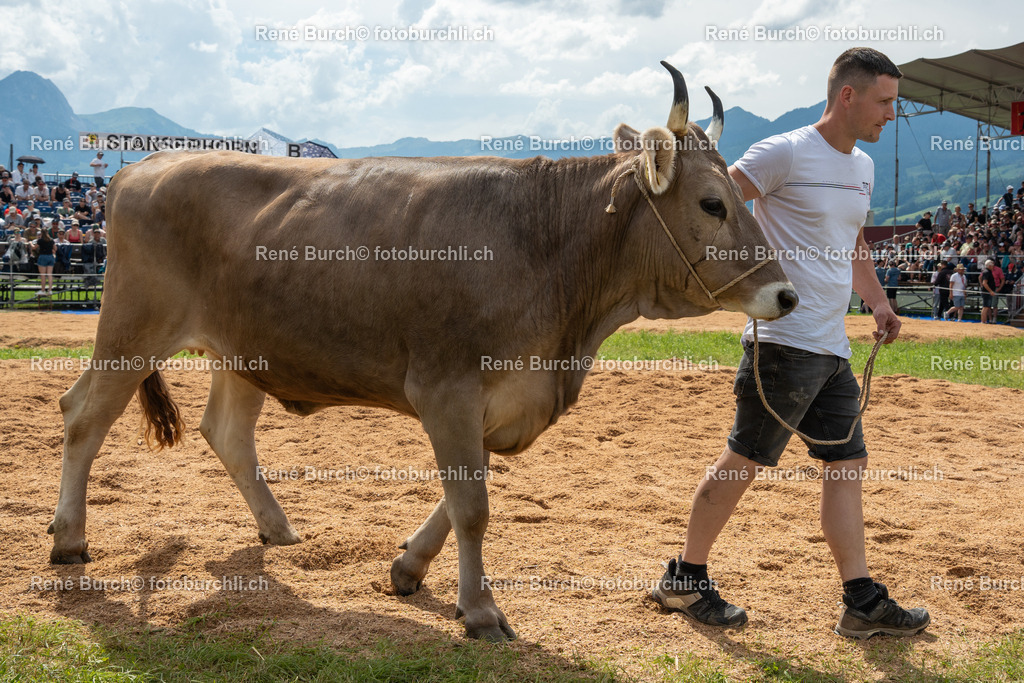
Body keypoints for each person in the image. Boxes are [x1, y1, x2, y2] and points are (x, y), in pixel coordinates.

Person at [650, 47, 928, 639]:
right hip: (781, 342)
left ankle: (860, 598)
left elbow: (853, 243)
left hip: (832, 349)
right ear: (847, 96)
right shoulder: (785, 151)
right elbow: (711, 204)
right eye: (885, 102)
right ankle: (684, 578)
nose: (890, 115)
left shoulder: (863, 168)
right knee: (744, 460)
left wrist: (877, 301)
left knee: (846, 464)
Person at [35, 222, 56, 296]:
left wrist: (31, 244)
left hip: (43, 257)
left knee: (43, 275)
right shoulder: (51, 240)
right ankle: (50, 290)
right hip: (50, 256)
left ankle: (43, 290)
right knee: (49, 274)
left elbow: (35, 247)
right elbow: (55, 248)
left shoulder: (40, 240)